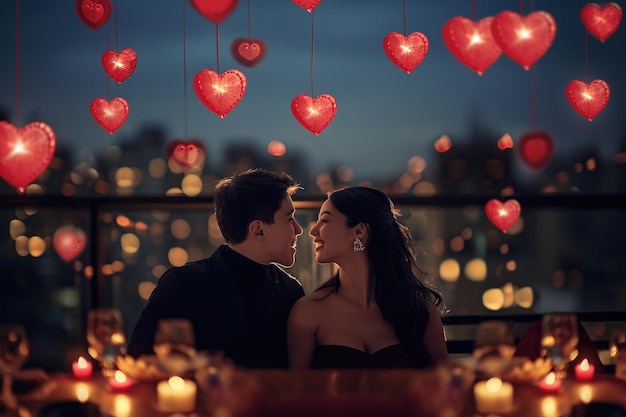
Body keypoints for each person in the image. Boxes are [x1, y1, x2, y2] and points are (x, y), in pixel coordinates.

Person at [127, 169, 305, 369]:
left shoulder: (291, 292)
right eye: (289, 219)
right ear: (258, 230)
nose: (299, 230)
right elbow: (139, 361)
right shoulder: (184, 284)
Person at [287, 186, 448, 369]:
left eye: (324, 220)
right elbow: (298, 389)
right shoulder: (307, 312)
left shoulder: (419, 311)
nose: (313, 231)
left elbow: (444, 386)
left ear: (359, 232)